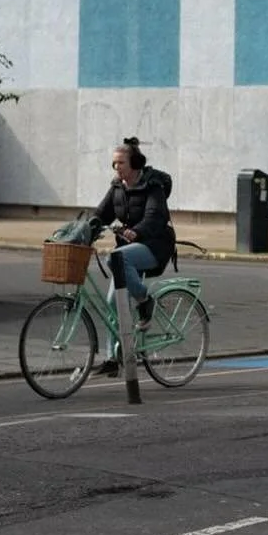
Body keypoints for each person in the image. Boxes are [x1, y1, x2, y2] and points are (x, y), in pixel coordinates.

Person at [94, 137, 175, 373]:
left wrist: (136, 231)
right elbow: (101, 214)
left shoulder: (153, 186)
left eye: (120, 163)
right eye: (114, 163)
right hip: (129, 248)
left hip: (154, 244)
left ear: (135, 163)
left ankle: (144, 300)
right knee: (112, 302)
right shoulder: (118, 187)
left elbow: (154, 217)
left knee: (115, 258)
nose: (116, 167)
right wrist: (84, 230)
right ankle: (113, 359)